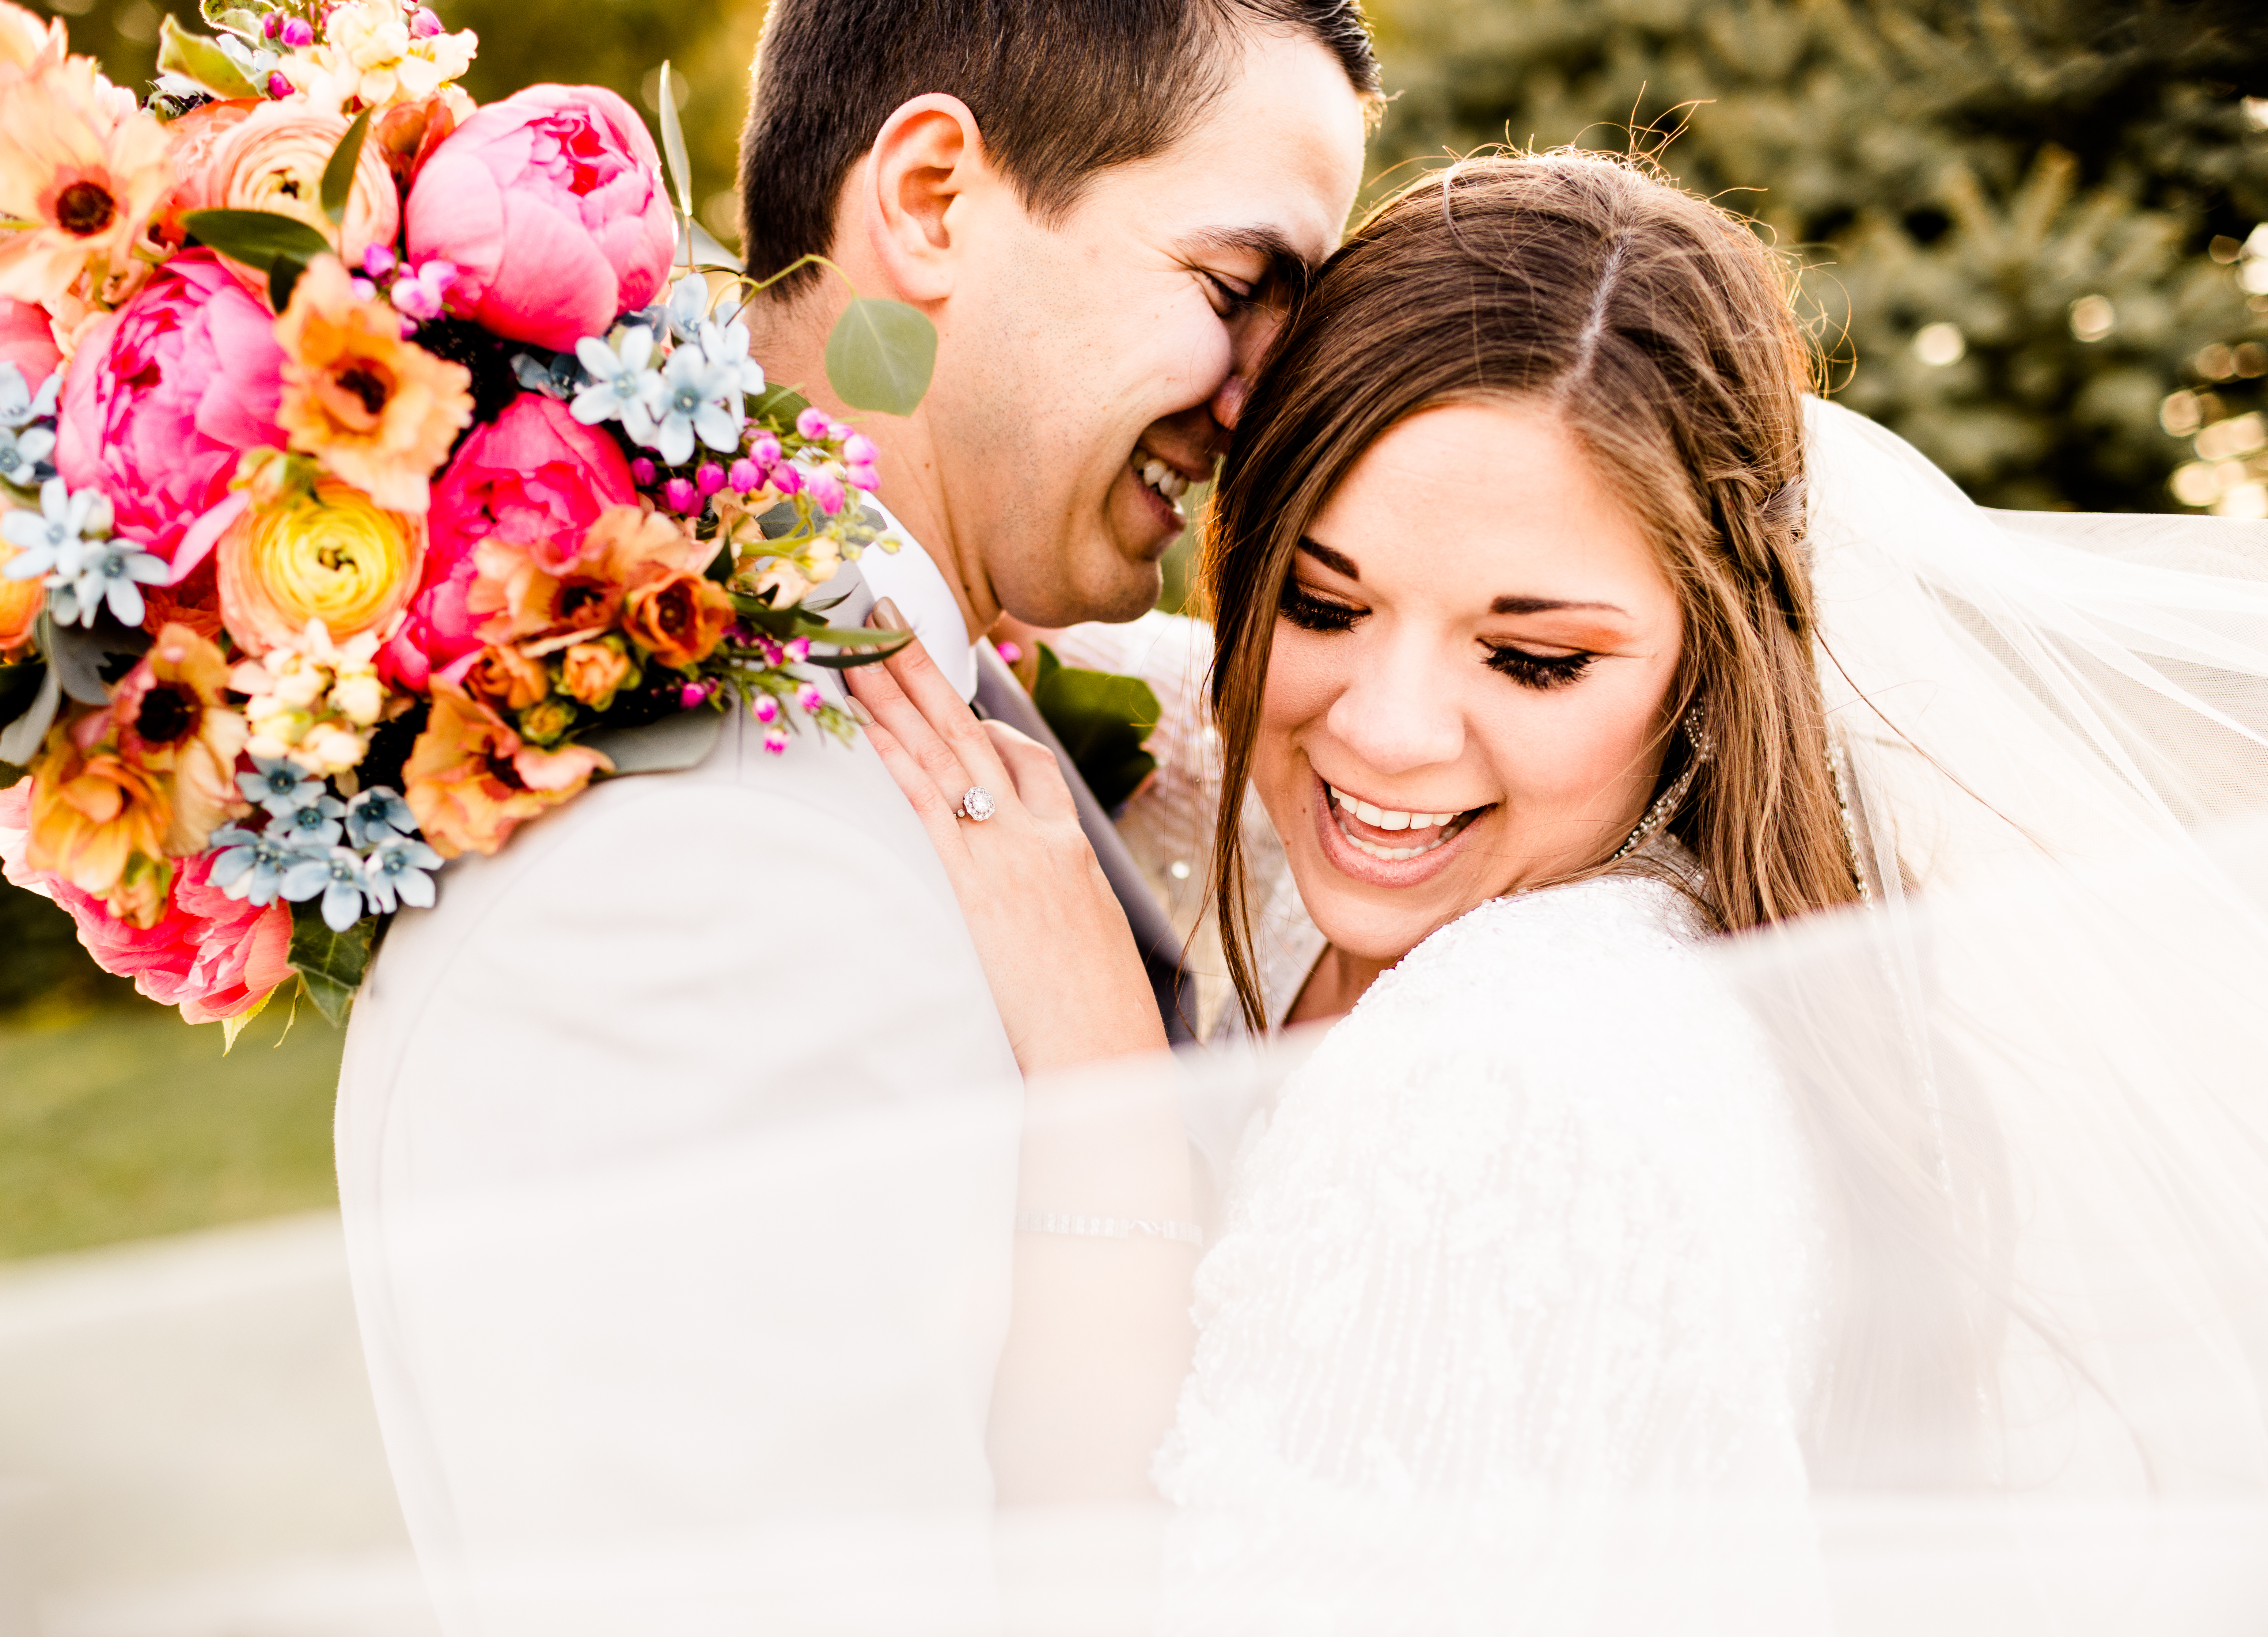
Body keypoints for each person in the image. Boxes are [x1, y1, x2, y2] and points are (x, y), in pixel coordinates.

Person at [851, 152, 2268, 1631]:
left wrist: (1109, 1095)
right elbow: (1150, 693)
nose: (1388, 729)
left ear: (1710, 660)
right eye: (1326, 603)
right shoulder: (1391, 836)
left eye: (1533, 660)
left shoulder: (1514, 1086)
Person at [331, 4, 1374, 1632]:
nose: (1263, 403)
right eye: (1237, 292)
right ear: (936, 195)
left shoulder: (920, 711)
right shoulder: (704, 886)